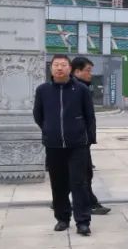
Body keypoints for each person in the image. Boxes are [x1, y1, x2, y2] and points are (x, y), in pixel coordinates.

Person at [33, 54, 95, 236]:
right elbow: (38, 115)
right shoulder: (43, 90)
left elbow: (90, 116)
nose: (59, 68)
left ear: (70, 68)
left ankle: (83, 221)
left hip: (77, 145)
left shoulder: (81, 89)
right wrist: (49, 130)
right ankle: (62, 218)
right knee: (58, 183)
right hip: (53, 145)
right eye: (56, 65)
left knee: (79, 183)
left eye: (63, 65)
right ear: (51, 68)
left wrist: (88, 139)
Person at [71, 56, 110, 216]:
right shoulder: (76, 89)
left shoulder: (81, 87)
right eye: (88, 70)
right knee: (84, 174)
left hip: (82, 139)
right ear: (77, 71)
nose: (90, 74)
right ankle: (90, 204)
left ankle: (62, 200)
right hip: (78, 140)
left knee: (82, 173)